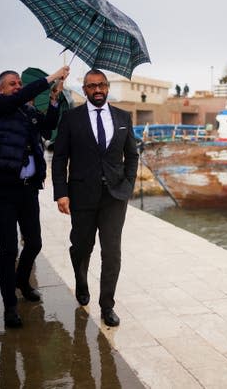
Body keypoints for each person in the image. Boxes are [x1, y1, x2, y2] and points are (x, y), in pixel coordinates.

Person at [0, 66, 69, 328]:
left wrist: (54, 98)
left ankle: (22, 280)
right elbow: (18, 99)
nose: (17, 87)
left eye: (19, 83)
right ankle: (10, 305)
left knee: (34, 243)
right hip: (4, 188)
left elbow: (49, 126)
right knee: (8, 249)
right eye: (12, 83)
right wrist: (51, 77)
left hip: (28, 188)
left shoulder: (28, 112)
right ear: (1, 88)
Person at [52, 69, 138, 327]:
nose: (97, 90)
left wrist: (129, 184)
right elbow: (59, 158)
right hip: (82, 195)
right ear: (85, 89)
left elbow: (132, 155)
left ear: (108, 87)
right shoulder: (71, 118)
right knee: (81, 247)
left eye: (101, 85)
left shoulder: (123, 117)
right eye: (91, 86)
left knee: (111, 253)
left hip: (114, 196)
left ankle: (107, 306)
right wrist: (61, 193)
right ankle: (81, 280)